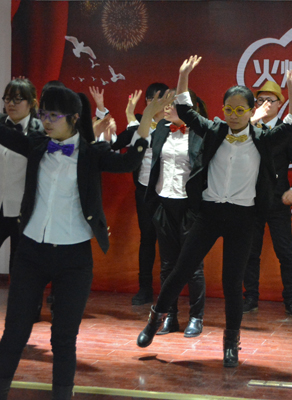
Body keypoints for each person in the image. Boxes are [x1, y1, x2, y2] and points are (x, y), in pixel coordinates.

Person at [0, 86, 169, 400]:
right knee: (14, 333)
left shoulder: (92, 153)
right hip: (31, 253)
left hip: (74, 259)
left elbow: (130, 162)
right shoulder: (36, 145)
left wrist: (146, 117)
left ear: (74, 118)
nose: (46, 121)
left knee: (63, 338)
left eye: (54, 115)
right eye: (43, 114)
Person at [136, 56, 292, 368]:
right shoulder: (213, 131)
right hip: (209, 215)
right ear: (223, 110)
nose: (234, 115)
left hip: (243, 218)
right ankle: (155, 318)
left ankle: (231, 342)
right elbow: (186, 109)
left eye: (240, 110)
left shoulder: (263, 139)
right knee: (181, 270)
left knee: (231, 283)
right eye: (229, 109)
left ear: (252, 111)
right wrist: (183, 74)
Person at [243, 80, 292, 318]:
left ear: (280, 104)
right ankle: (250, 298)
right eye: (260, 100)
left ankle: (291, 301)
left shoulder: (287, 129)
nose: (265, 104)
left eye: (270, 100)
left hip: (278, 201)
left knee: (285, 252)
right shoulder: (248, 128)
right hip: (250, 200)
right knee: (250, 252)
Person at [145, 90, 207, 338]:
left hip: (189, 206)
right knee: (167, 265)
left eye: (173, 104)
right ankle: (169, 315)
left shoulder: (201, 133)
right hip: (164, 202)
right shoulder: (161, 129)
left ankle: (196, 317)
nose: (168, 108)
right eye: (167, 104)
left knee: (193, 266)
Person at [112, 83, 170, 305]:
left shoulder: (174, 126)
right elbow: (114, 145)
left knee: (169, 242)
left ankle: (169, 292)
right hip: (145, 192)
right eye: (156, 100)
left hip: (169, 192)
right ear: (147, 102)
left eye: (165, 100)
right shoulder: (138, 127)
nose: (163, 104)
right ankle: (144, 288)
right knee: (147, 239)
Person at [0, 78, 43, 274]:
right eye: (7, 99)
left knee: (19, 266)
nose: (11, 104)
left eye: (17, 99)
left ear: (32, 103)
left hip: (23, 209)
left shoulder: (40, 130)